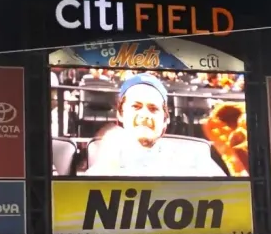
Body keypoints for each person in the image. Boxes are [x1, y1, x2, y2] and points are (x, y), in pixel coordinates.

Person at [85, 73, 226, 177]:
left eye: (153, 109)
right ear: (121, 114)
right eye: (136, 106)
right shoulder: (106, 164)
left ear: (165, 120)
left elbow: (230, 198)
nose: (145, 115)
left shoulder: (194, 157)